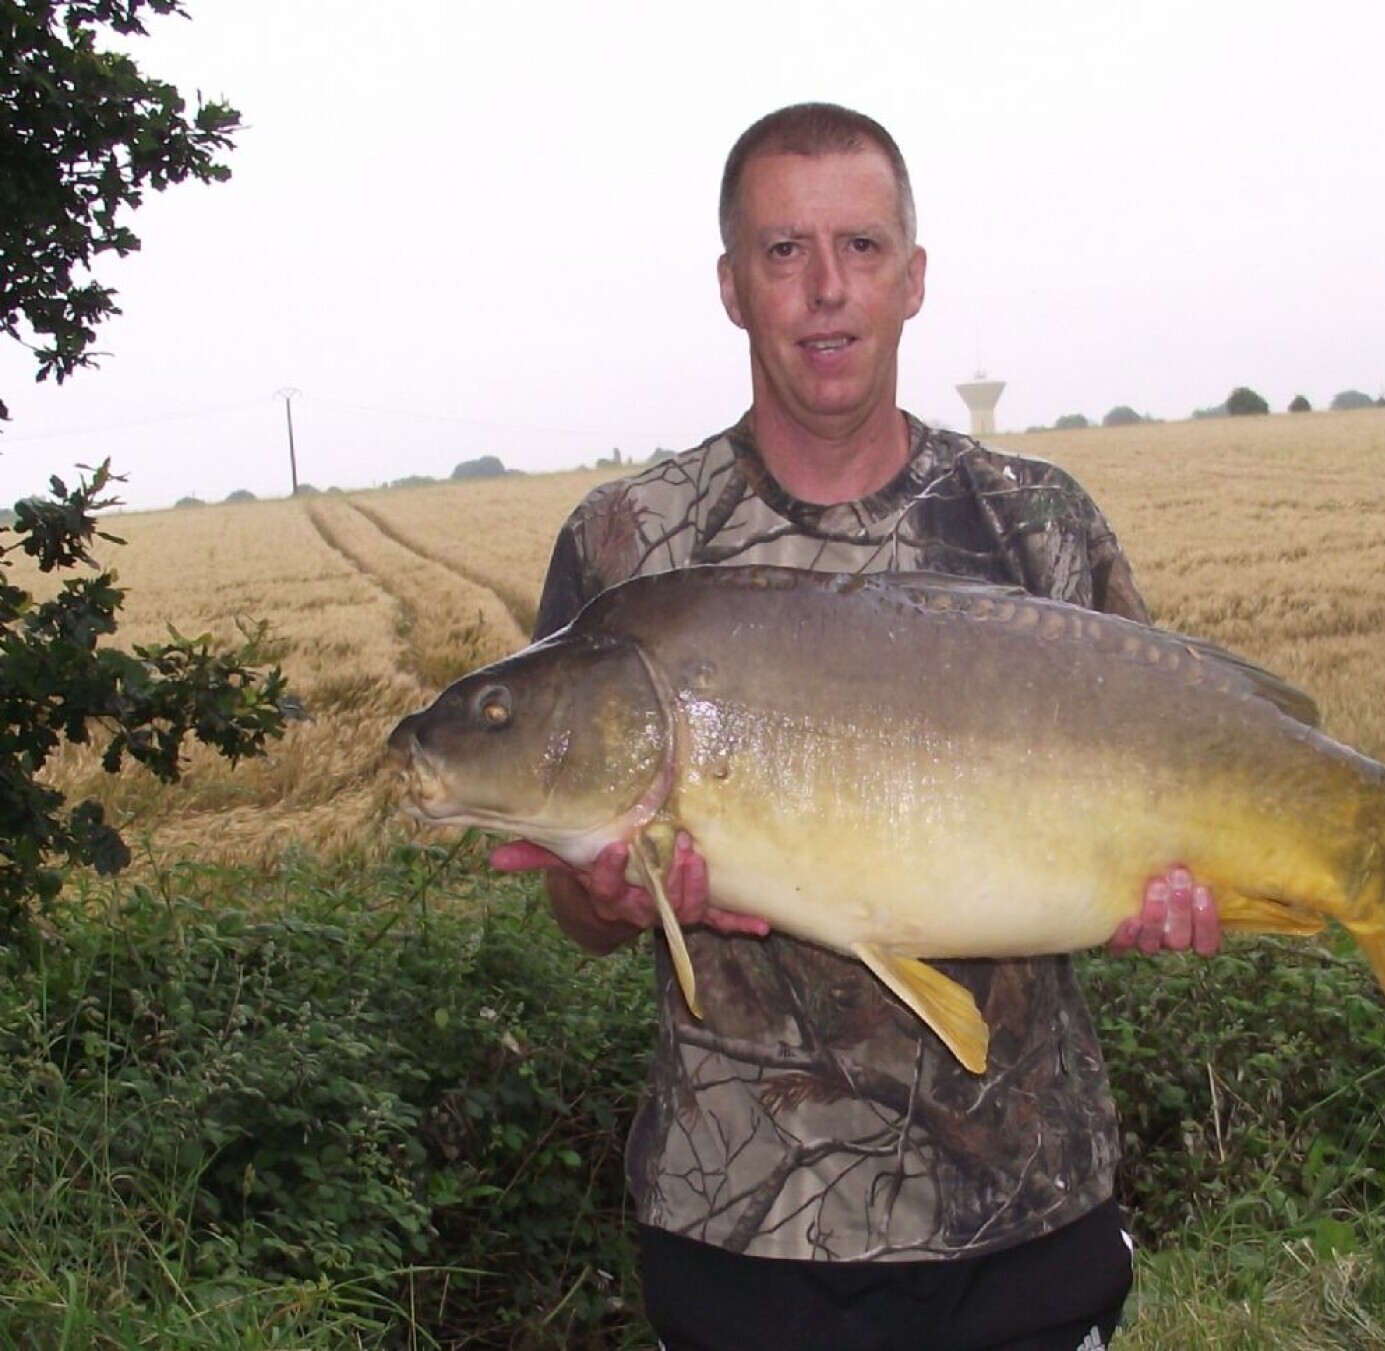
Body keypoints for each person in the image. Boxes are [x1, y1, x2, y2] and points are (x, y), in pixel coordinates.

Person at [491, 102, 1220, 1351]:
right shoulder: (628, 545)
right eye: (783, 251)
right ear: (732, 285)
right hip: (741, 1232)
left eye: (861, 247)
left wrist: (1185, 897)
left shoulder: (1036, 523)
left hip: (1024, 1221)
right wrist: (605, 900)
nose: (825, 288)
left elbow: (1163, 781)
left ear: (913, 277)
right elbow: (577, 908)